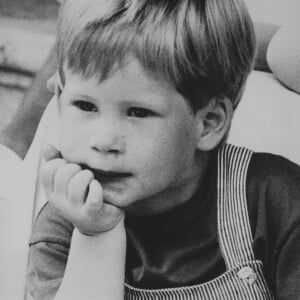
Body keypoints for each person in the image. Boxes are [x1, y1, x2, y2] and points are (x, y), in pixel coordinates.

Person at [24, 0, 299, 299]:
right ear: (60, 99)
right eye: (85, 105)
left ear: (208, 122)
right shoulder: (63, 224)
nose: (103, 141)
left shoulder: (274, 201)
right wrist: (96, 235)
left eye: (137, 113)